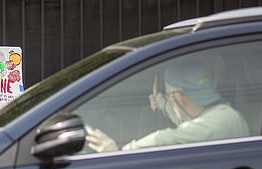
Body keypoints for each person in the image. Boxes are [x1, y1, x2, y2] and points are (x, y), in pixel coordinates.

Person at [86, 61, 250, 152]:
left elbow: (164, 137)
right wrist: (162, 102)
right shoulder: (221, 113)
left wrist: (119, 152)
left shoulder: (217, 123)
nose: (170, 100)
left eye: (170, 94)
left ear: (178, 97)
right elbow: (185, 118)